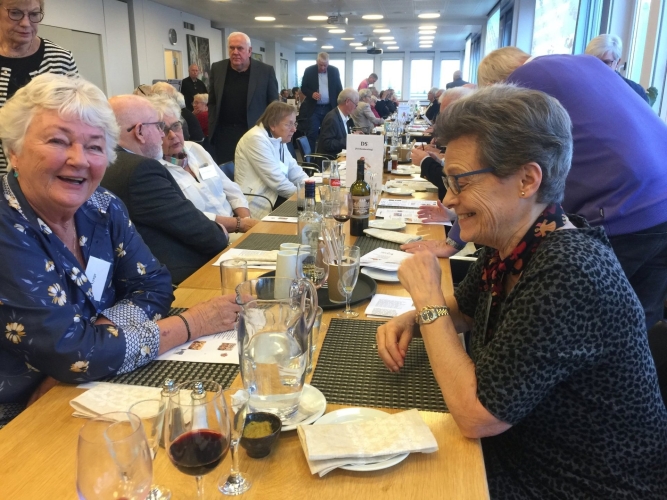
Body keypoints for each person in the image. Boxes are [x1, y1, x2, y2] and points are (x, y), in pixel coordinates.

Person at [378, 84, 667, 499]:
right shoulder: (518, 242)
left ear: (527, 180)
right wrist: (412, 318)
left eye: (460, 182)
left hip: (573, 483)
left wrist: (427, 300)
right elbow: (465, 310)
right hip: (524, 452)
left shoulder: (568, 270)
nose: (450, 199)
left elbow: (477, 416)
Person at [0, 74, 240, 427]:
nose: (79, 159)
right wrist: (192, 323)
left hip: (78, 385)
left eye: (95, 146)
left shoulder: (102, 206)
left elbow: (155, 284)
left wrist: (93, 341)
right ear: (14, 151)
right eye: (58, 141)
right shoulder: (8, 226)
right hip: (18, 414)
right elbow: (75, 354)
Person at [408, 47, 667, 330]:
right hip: (659, 204)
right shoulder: (583, 64)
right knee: (636, 324)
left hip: (623, 212)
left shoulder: (525, 86)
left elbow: (488, 177)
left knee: (569, 324)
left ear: (498, 86)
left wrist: (451, 248)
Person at [101, 94, 229, 285]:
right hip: (180, 279)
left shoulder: (109, 163)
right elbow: (192, 226)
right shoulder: (140, 170)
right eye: (159, 127)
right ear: (139, 131)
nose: (163, 135)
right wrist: (222, 232)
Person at [151, 95, 258, 236]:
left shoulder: (195, 149)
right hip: (211, 237)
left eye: (176, 126)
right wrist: (240, 225)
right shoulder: (156, 170)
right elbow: (191, 217)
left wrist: (246, 220)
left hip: (239, 227)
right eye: (163, 130)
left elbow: (230, 188)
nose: (172, 135)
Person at [0, 0, 78, 175]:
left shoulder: (60, 59)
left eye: (34, 14)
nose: (26, 23)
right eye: (15, 13)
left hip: (47, 170)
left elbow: (76, 116)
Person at [208, 32, 279, 164]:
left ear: (249, 51)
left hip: (253, 133)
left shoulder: (265, 71)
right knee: (226, 171)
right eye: (232, 48)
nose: (235, 52)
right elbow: (212, 102)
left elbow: (274, 106)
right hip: (224, 135)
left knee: (252, 170)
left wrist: (269, 132)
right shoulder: (218, 68)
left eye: (240, 48)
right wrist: (213, 126)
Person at [234, 101, 309, 219]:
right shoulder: (256, 139)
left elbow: (294, 170)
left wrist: (311, 187)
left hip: (276, 194)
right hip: (260, 200)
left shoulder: (279, 138)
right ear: (273, 124)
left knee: (312, 211)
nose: (294, 129)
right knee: (308, 215)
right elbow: (276, 181)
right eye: (289, 124)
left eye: (295, 123)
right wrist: (304, 196)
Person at [585, 34, 649, 103]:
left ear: (617, 63)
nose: (599, 66)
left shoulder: (635, 93)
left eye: (606, 62)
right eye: (594, 61)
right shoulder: (580, 86)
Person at [299, 52, 343, 151]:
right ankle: (309, 158)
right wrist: (311, 94)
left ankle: (325, 155)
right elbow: (303, 88)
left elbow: (339, 89)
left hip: (329, 107)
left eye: (325, 65)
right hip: (314, 108)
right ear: (316, 62)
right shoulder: (309, 71)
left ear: (328, 63)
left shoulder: (334, 71)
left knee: (328, 133)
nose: (323, 68)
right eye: (320, 65)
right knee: (312, 133)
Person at [315, 88, 358, 157]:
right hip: (331, 159)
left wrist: (353, 136)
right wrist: (349, 139)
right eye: (356, 104)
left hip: (340, 156)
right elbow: (327, 144)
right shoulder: (332, 119)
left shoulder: (343, 116)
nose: (356, 107)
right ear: (347, 101)